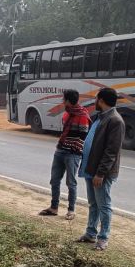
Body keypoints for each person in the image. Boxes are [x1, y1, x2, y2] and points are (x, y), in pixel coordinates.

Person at [75, 87, 124, 251]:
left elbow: (111, 151)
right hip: (91, 168)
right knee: (93, 204)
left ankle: (103, 238)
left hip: (100, 173)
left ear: (101, 100)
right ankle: (90, 233)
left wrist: (100, 173)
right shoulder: (100, 117)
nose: (95, 101)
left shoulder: (115, 121)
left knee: (104, 205)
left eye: (96, 99)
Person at [39, 90, 90, 220]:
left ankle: (71, 210)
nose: (62, 101)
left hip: (72, 154)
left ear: (68, 100)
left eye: (64, 99)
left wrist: (71, 147)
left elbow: (82, 137)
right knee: (54, 180)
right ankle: (54, 207)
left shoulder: (82, 115)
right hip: (61, 150)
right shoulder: (67, 113)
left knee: (71, 183)